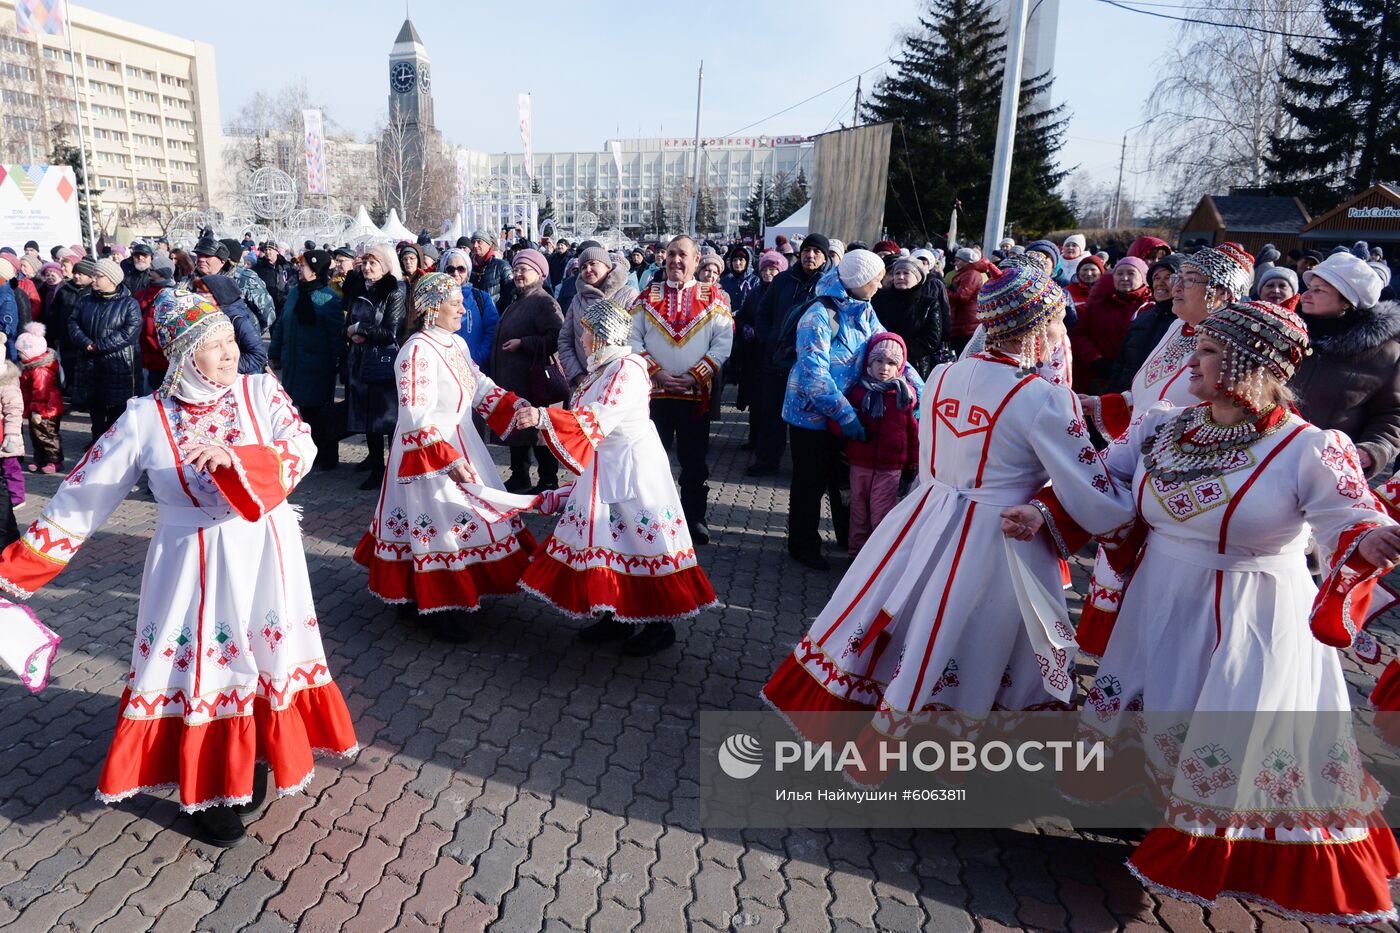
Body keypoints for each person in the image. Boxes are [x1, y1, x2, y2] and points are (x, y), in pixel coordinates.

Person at [1036, 300, 1400, 924]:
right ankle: (1141, 813)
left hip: (1251, 614)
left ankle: (1227, 849)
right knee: (1158, 707)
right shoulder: (1163, 427)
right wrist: (1044, 512)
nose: (1189, 359)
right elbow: (1106, 484)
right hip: (1160, 597)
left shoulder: (1311, 448)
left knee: (1227, 727)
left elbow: (1351, 515)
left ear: (1247, 364)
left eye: (1204, 350)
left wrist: (1369, 539)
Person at [0, 287, 358, 846]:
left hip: (265, 555)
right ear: (183, 353)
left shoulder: (262, 392)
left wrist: (239, 461)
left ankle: (255, 755)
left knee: (261, 657)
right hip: (190, 565)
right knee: (199, 668)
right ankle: (205, 786)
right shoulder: (145, 417)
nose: (229, 354)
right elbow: (84, 493)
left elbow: (302, 446)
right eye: (212, 345)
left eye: (229, 341)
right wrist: (18, 568)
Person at [764, 263, 1134, 754]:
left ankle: (876, 720)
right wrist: (1137, 497)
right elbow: (1091, 490)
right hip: (996, 536)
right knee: (974, 635)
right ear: (1038, 328)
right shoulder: (1045, 399)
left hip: (924, 517)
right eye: (1055, 325)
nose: (1058, 335)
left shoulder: (941, 374)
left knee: (907, 618)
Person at [505, 298, 718, 656]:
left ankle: (658, 624)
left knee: (642, 544)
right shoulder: (604, 367)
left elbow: (598, 419)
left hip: (635, 472)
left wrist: (543, 418)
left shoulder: (627, 369)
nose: (583, 341)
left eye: (587, 334)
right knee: (610, 544)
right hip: (607, 467)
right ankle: (615, 613)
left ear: (603, 336)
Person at [353, 273, 536, 640]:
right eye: (455, 303)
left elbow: (476, 383)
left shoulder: (455, 344)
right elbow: (413, 413)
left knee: (458, 521)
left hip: (460, 438)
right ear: (432, 308)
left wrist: (513, 406)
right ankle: (434, 605)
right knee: (435, 526)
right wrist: (446, 458)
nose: (462, 308)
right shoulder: (416, 351)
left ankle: (435, 594)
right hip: (427, 452)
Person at [783, 250, 923, 571]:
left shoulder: (864, 310)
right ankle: (802, 544)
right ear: (859, 280)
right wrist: (846, 415)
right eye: (876, 277)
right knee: (810, 482)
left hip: (849, 413)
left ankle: (850, 540)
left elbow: (892, 349)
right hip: (811, 416)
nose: (881, 282)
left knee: (843, 481)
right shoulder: (818, 316)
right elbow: (813, 374)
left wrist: (923, 393)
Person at [628, 236, 733, 543]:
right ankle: (649, 517)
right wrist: (656, 371)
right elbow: (632, 338)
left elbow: (723, 342)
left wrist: (695, 375)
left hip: (693, 396)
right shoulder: (647, 297)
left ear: (697, 260)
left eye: (682, 255)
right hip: (654, 396)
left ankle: (694, 517)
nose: (675, 260)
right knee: (649, 460)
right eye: (671, 254)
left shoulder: (714, 298)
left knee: (694, 461)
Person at [1290, 252, 1398, 478]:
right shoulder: (1285, 332)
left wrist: (1373, 450)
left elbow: (1392, 414)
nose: (1306, 295)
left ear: (1348, 302)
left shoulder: (1385, 354)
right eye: (1309, 286)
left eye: (1319, 290)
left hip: (1326, 471)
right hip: (1262, 457)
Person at [749, 235, 832, 476]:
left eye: (817, 251)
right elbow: (763, 312)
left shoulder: (830, 283)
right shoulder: (783, 280)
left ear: (825, 256)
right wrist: (768, 338)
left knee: (809, 416)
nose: (811, 255)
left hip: (811, 363)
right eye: (807, 250)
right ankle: (766, 460)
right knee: (772, 412)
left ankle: (806, 466)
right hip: (777, 359)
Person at [490, 249, 565, 494]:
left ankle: (548, 481)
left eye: (524, 270)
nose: (518, 274)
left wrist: (524, 343)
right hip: (515, 379)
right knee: (518, 429)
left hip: (534, 380)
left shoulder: (544, 302)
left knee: (540, 433)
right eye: (517, 269)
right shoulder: (518, 299)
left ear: (540, 274)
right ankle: (520, 475)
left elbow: (556, 337)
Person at [838, 333, 919, 556]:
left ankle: (876, 558)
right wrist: (845, 427)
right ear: (869, 363)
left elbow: (912, 431)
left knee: (882, 514)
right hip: (860, 463)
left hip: (890, 467)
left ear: (900, 367)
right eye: (879, 361)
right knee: (858, 511)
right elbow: (841, 420)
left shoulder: (904, 397)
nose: (884, 368)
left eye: (892, 363)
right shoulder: (857, 392)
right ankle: (856, 554)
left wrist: (913, 461)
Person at [269, 251, 342, 472]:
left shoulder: (327, 297)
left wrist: (338, 361)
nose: (299, 269)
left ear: (315, 270)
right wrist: (274, 352)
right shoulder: (294, 294)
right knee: (303, 412)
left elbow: (335, 333)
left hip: (318, 365)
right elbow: (281, 324)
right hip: (294, 362)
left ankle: (328, 455)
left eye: (303, 266)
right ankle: (314, 452)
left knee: (320, 413)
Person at [345, 244, 406, 490]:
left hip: (383, 361)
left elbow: (391, 331)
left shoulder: (394, 291)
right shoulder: (360, 288)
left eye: (374, 263)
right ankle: (376, 468)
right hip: (359, 360)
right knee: (369, 418)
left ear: (386, 266)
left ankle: (394, 469)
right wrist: (351, 333)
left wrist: (360, 331)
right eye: (366, 263)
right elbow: (347, 322)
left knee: (386, 418)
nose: (368, 268)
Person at [68, 259, 141, 442]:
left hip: (118, 365)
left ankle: (114, 445)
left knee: (117, 409)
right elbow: (73, 322)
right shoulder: (85, 301)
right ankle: (96, 442)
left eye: (98, 276)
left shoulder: (129, 303)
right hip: (90, 363)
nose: (93, 279)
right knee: (95, 406)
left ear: (112, 279)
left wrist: (99, 346)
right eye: (93, 275)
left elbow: (129, 332)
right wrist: (86, 343)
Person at [1070, 256, 1153, 392]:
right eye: (1119, 273)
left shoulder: (1151, 307)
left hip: (1138, 378)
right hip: (1100, 375)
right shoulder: (1098, 304)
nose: (1124, 278)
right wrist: (1096, 360)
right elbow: (1078, 335)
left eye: (1131, 273)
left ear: (1143, 277)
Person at [559, 247, 637, 387]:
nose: (587, 269)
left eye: (593, 263)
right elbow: (565, 340)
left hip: (617, 382)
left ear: (607, 266)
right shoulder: (577, 300)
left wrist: (616, 375)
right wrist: (577, 376)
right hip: (582, 383)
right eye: (583, 267)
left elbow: (635, 339)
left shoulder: (628, 295)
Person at [1107, 255, 1183, 393]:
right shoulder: (1144, 317)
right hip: (1126, 397)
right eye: (1156, 278)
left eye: (1168, 277)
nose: (1160, 283)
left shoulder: (1185, 322)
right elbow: (1121, 363)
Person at [735, 251, 787, 449]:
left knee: (770, 403)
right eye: (764, 269)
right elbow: (742, 316)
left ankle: (768, 445)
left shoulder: (784, 293)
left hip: (774, 353)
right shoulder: (755, 292)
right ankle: (753, 438)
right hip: (754, 354)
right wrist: (744, 327)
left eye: (773, 269)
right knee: (755, 401)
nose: (768, 273)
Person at [871, 256, 950, 377]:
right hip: (880, 364)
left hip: (914, 366)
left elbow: (931, 339)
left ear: (917, 277)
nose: (900, 277)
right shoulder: (879, 298)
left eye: (906, 273)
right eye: (897, 273)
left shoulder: (929, 304)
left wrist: (899, 351)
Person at [194, 276, 269, 376]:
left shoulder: (238, 320)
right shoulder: (210, 315)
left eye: (202, 292)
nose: (197, 296)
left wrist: (226, 367)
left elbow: (258, 356)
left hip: (236, 379)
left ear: (218, 296)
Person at [437, 249, 498, 370]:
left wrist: (479, 356)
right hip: (445, 366)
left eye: (461, 269)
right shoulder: (436, 298)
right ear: (444, 270)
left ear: (468, 270)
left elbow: (493, 329)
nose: (455, 273)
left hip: (477, 366)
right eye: (450, 269)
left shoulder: (481, 297)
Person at [16, 323, 62, 473]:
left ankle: (53, 460)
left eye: (21, 352)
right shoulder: (30, 367)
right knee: (36, 435)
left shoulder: (41, 370)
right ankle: (40, 459)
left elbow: (40, 392)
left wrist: (36, 410)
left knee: (47, 435)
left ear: (31, 353)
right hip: (35, 408)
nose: (19, 355)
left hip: (46, 410)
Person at [948, 247, 997, 352]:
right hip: (962, 321)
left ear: (966, 261)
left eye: (958, 260)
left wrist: (944, 291)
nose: (955, 263)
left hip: (967, 324)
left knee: (963, 353)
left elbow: (962, 297)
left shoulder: (971, 274)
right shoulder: (965, 273)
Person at [0, 338, 23, 506]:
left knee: (10, 467)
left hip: (5, 436)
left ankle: (17, 497)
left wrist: (12, 435)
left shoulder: (7, 386)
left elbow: (14, 412)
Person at [468, 231, 513, 308]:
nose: (475, 245)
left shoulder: (502, 266)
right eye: (473, 242)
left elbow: (511, 295)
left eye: (479, 242)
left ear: (489, 245)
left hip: (496, 316)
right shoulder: (467, 267)